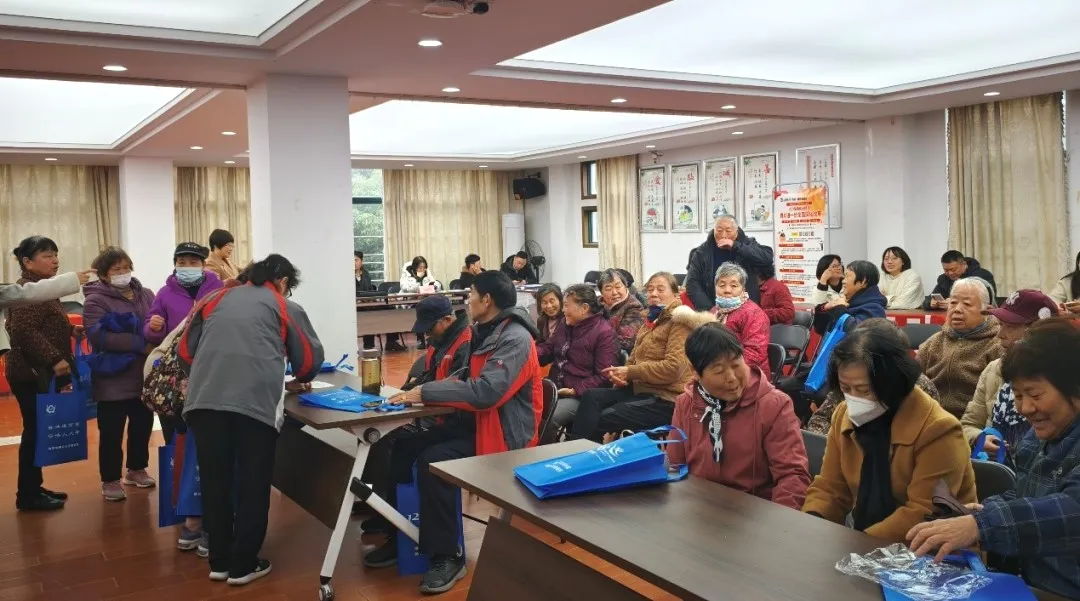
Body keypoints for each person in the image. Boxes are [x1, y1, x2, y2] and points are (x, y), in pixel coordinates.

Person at [369, 271, 543, 594]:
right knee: (402, 446)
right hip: (475, 424)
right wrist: (417, 391)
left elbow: (486, 392)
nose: (468, 300)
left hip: (504, 436)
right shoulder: (485, 331)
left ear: (487, 300)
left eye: (471, 293)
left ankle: (448, 554)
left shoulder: (516, 338)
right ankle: (400, 534)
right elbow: (462, 377)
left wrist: (424, 393)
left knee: (434, 462)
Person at [178, 254, 324, 586]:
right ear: (283, 282)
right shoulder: (283, 305)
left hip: (204, 402)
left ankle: (219, 561)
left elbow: (185, 352)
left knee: (215, 481)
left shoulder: (214, 299)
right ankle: (244, 564)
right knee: (252, 483)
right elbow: (308, 364)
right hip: (254, 405)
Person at [906, 320, 1080, 599]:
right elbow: (1027, 494)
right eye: (1018, 395)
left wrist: (982, 526)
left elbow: (1070, 511)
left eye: (1035, 394)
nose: (1025, 408)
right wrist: (984, 511)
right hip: (1030, 585)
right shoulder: (1037, 438)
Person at [802, 325, 977, 542]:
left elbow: (922, 512)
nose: (854, 399)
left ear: (893, 383)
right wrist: (813, 522)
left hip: (930, 549)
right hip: (864, 538)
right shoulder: (843, 416)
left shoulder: (939, 430)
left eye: (865, 390)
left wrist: (858, 545)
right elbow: (830, 488)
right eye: (846, 389)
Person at [358, 294, 472, 535]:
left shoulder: (465, 343)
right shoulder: (442, 341)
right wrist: (406, 392)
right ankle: (382, 508)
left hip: (453, 419)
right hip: (438, 412)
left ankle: (395, 520)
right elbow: (429, 376)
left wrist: (418, 395)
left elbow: (455, 387)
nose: (427, 334)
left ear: (447, 319)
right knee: (382, 439)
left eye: (430, 327)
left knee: (395, 442)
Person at [668, 323, 811, 509]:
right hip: (698, 507)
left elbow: (792, 475)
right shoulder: (686, 404)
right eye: (718, 371)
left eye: (736, 364)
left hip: (754, 513)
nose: (732, 378)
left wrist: (779, 523)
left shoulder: (774, 406)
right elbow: (674, 465)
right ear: (695, 372)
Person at [143, 242, 223, 551]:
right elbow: (152, 334)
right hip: (176, 384)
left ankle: (205, 518)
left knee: (208, 448)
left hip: (211, 377)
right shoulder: (165, 294)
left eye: (193, 261)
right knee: (180, 445)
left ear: (203, 264)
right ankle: (188, 513)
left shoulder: (219, 290)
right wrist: (153, 326)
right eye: (182, 261)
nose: (187, 266)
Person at [570, 272, 714, 442]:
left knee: (601, 417)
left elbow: (674, 368)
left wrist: (630, 372)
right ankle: (578, 450)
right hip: (640, 389)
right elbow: (634, 358)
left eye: (660, 289)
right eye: (650, 290)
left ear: (676, 294)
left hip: (665, 398)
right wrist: (621, 375)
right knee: (590, 397)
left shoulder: (680, 322)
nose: (653, 294)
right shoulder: (652, 319)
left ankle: (586, 454)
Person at [5, 236, 82, 511]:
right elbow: (23, 331)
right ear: (27, 262)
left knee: (37, 430)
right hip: (30, 373)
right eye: (47, 255)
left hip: (36, 371)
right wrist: (54, 358)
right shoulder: (28, 290)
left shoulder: (43, 288)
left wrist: (70, 330)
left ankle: (33, 488)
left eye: (55, 254)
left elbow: (41, 323)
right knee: (34, 432)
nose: (55, 260)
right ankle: (27, 495)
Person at [83, 246, 157, 502]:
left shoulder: (146, 294)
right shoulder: (95, 300)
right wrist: (141, 345)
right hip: (112, 376)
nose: (123, 272)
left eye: (126, 267)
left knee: (142, 425)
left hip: (143, 375)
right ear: (104, 274)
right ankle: (110, 479)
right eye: (117, 269)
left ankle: (136, 469)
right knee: (112, 432)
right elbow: (99, 335)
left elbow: (156, 323)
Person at [961, 289, 1059, 451]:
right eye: (1000, 325)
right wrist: (979, 439)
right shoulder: (993, 370)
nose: (1000, 334)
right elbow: (968, 424)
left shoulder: (1063, 377)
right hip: (994, 464)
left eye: (1010, 327)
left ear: (1039, 330)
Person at [806, 319, 940, 436]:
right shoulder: (852, 382)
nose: (854, 396)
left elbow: (926, 436)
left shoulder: (919, 389)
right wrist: (831, 443)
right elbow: (820, 419)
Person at [917, 278, 1003, 419]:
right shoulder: (934, 342)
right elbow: (913, 379)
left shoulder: (997, 344)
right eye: (953, 303)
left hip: (973, 422)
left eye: (967, 304)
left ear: (987, 311)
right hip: (932, 418)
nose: (957, 309)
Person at [538, 285, 617, 429]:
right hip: (555, 387)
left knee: (545, 418)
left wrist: (575, 390)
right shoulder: (565, 323)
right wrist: (528, 354)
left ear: (584, 308)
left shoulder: (604, 333)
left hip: (580, 395)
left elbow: (604, 376)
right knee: (522, 408)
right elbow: (548, 348)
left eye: (566, 305)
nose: (563, 310)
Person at [684, 216, 774, 309]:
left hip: (746, 306)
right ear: (714, 231)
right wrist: (708, 309)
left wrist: (736, 246)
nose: (723, 235)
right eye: (719, 231)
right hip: (713, 306)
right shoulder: (702, 252)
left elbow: (767, 258)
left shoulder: (747, 243)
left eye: (728, 231)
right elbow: (692, 282)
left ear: (736, 232)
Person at [710, 262, 771, 380]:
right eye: (721, 285)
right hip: (716, 370)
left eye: (734, 286)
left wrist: (721, 368)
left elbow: (755, 353)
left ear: (743, 289)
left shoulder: (753, 313)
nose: (727, 290)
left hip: (747, 375)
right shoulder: (714, 311)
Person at [812, 260, 887, 336]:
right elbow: (821, 329)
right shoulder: (848, 302)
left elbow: (857, 334)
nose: (843, 281)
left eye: (847, 276)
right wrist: (825, 308)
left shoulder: (875, 308)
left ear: (863, 281)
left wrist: (840, 308)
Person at [924, 250, 996, 310]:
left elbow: (985, 301)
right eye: (946, 270)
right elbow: (927, 301)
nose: (950, 273)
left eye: (953, 270)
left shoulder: (982, 275)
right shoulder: (944, 279)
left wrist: (955, 304)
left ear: (964, 264)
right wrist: (931, 303)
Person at [597, 268, 645, 356]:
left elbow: (626, 342)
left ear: (626, 287)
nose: (615, 292)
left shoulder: (634, 307)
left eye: (618, 287)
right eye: (608, 289)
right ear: (601, 292)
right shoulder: (595, 305)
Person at [355, 251, 377, 350]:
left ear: (361, 262)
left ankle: (391, 342)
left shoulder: (366, 274)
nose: (354, 263)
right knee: (366, 314)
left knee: (389, 309)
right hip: (354, 306)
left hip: (366, 304)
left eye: (356, 260)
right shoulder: (346, 275)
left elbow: (370, 289)